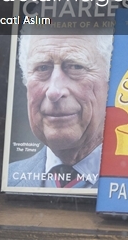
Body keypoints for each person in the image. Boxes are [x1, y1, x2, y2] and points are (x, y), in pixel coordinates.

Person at [8, 34, 112, 189]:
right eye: (42, 68)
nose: (53, 92)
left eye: (76, 66)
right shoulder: (8, 179)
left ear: (111, 81)